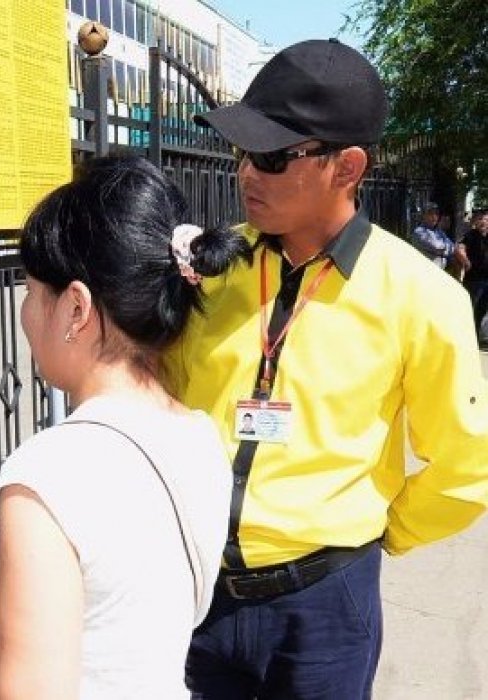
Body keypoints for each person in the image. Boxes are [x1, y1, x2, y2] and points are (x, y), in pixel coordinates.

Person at [173, 38, 488, 698]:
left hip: (323, 607)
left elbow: (466, 466)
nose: (245, 174)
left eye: (270, 155)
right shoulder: (212, 269)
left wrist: (377, 536)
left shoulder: (421, 298)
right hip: (197, 590)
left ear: (347, 167)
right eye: (240, 152)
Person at [0, 156, 249, 698]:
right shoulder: (197, 434)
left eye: (29, 291)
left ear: (75, 307)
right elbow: (122, 606)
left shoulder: (48, 474)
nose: (25, 312)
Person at [458, 209, 488, 347]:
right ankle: (466, 339)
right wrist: (466, 261)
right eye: (480, 219)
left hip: (486, 280)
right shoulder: (470, 235)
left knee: (482, 310)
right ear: (475, 221)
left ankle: (475, 338)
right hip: (474, 280)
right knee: (471, 310)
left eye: (486, 219)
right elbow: (460, 249)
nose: (483, 221)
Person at [412, 202, 459, 269]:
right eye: (430, 213)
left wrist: (451, 248)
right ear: (423, 215)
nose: (434, 216)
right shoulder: (419, 232)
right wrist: (451, 249)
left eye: (436, 213)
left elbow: (451, 245)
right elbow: (437, 247)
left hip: (439, 272)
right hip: (426, 273)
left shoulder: (438, 231)